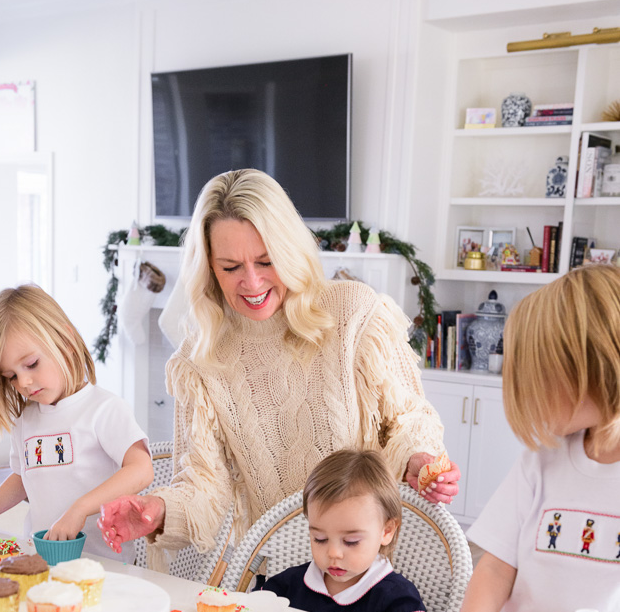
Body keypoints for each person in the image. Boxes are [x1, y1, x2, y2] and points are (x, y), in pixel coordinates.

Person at [97, 168, 459, 566]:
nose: (251, 283)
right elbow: (204, 485)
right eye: (231, 267)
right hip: (280, 580)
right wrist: (157, 510)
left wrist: (418, 459)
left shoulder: (353, 314)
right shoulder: (199, 359)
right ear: (209, 270)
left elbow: (409, 418)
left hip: (369, 570)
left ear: (290, 251)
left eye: (266, 261)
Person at [388, 264, 620, 612]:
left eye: (540, 377)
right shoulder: (543, 460)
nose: (527, 393)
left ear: (596, 367)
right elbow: (496, 567)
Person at [0, 285, 153, 560]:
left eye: (32, 364)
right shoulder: (27, 420)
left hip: (103, 566)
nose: (23, 382)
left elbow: (142, 470)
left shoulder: (104, 409)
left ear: (65, 343)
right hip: (41, 558)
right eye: (10, 376)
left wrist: (80, 508)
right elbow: (22, 479)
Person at [261, 449, 431, 612]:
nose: (333, 553)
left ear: (387, 531)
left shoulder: (395, 595)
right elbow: (249, 610)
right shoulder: (291, 584)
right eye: (320, 539)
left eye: (351, 542)